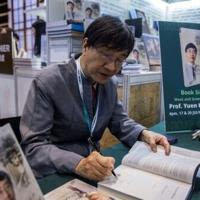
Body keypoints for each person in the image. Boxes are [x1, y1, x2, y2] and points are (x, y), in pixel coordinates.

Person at [20, 15, 170, 182]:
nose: (112, 67)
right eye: (106, 55)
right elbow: (33, 148)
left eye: (119, 60)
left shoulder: (109, 83)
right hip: (56, 173)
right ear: (85, 45)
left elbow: (120, 121)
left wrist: (144, 133)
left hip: (95, 169)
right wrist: (77, 163)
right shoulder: (48, 82)